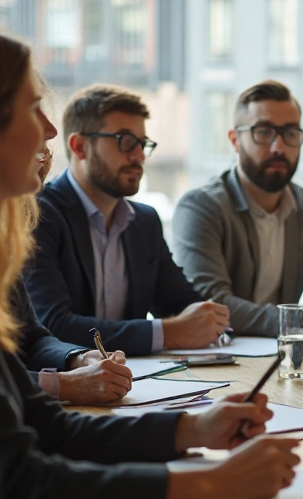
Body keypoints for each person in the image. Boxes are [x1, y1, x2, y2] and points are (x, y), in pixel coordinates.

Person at [0, 24, 300, 499]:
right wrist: (214, 484)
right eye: (29, 107)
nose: (49, 131)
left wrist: (195, 426)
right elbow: (23, 489)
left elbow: (46, 427)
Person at [24, 84, 230, 356]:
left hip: (139, 382)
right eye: (125, 141)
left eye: (142, 144)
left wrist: (211, 323)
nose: (139, 156)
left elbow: (183, 305)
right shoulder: (40, 214)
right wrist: (171, 332)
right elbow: (52, 326)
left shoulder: (144, 221)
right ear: (80, 146)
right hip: (76, 385)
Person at [172, 80, 303, 336]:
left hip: (286, 358)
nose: (279, 147)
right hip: (217, 362)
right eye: (264, 132)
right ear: (235, 140)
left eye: (290, 133)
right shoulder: (201, 207)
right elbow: (211, 304)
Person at [18, 106, 133, 405]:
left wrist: (78, 359)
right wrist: (63, 385)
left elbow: (32, 339)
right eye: (29, 109)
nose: (51, 129)